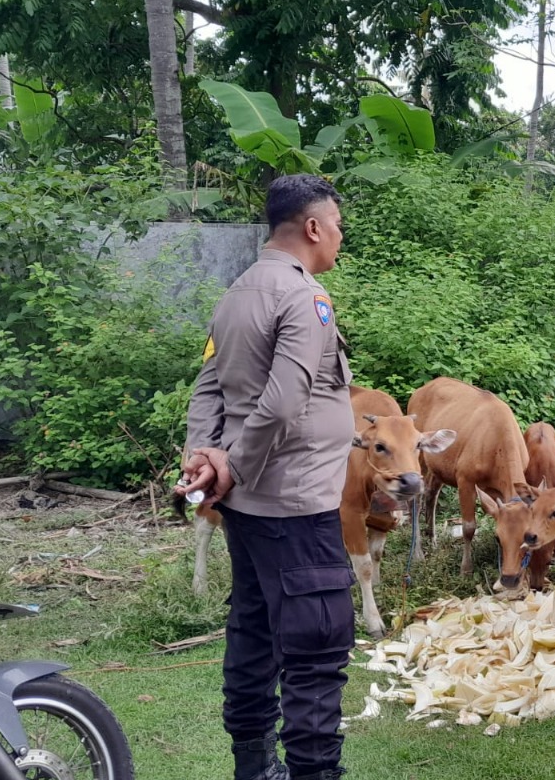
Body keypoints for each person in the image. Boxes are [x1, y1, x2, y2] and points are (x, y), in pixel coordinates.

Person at [178, 174, 355, 780]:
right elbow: (283, 402)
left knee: (253, 632)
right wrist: (232, 462)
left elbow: (207, 384)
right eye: (335, 226)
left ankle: (254, 769)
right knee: (315, 646)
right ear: (311, 227)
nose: (338, 238)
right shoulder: (306, 298)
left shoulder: (236, 293)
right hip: (296, 503)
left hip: (249, 510)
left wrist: (203, 454)